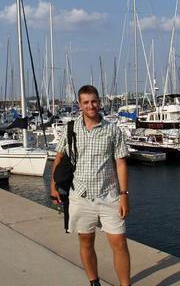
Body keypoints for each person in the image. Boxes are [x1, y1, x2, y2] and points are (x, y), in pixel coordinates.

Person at [50, 85, 131, 286]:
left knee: (119, 242)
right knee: (86, 241)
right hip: (80, 196)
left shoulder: (113, 130)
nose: (91, 106)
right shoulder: (71, 128)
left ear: (99, 102)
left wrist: (124, 194)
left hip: (109, 196)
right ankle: (94, 282)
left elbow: (120, 162)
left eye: (94, 101)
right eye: (86, 102)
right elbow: (59, 158)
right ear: (80, 105)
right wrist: (53, 186)